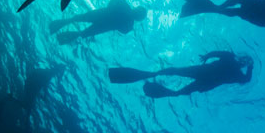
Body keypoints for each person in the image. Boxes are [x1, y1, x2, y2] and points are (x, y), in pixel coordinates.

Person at [108, 50, 253, 99]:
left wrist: (207, 57)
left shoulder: (232, 61)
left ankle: (154, 79)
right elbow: (246, 79)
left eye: (244, 61)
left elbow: (216, 53)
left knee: (178, 75)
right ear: (243, 62)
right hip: (206, 77)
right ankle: (154, 79)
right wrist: (207, 57)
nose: (242, 62)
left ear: (242, 62)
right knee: (178, 76)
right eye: (244, 61)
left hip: (206, 77)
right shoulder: (236, 68)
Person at [49, 0, 147, 44]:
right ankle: (60, 33)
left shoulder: (126, 9)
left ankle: (59, 31)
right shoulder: (129, 21)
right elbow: (123, 30)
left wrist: (111, 9)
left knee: (82, 28)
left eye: (139, 12)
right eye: (139, 11)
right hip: (103, 22)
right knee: (81, 27)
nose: (137, 12)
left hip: (102, 19)